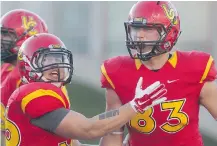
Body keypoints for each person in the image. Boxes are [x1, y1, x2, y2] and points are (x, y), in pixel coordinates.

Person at [5, 33, 167, 146]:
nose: (57, 67)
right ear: (27, 65)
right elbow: (89, 128)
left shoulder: (50, 97)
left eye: (59, 59)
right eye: (47, 61)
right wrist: (136, 105)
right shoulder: (33, 93)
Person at [99, 1, 217, 146]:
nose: (139, 36)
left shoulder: (194, 69)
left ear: (170, 32)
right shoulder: (117, 72)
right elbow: (113, 132)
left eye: (148, 29)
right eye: (136, 28)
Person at [0, 9, 49, 145]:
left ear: (26, 38)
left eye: (6, 35)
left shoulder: (34, 77)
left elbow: (58, 124)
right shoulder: (6, 69)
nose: (1, 39)